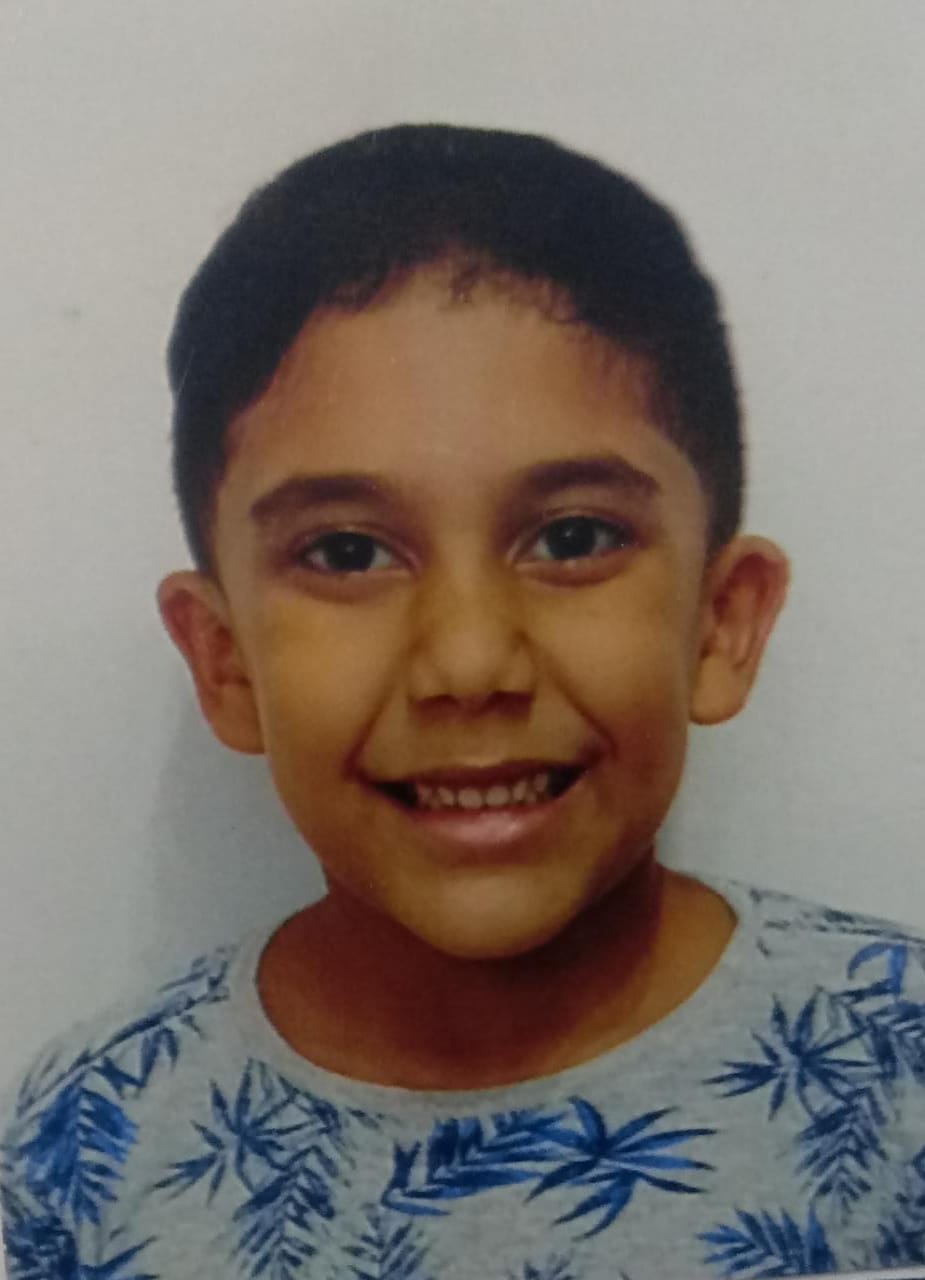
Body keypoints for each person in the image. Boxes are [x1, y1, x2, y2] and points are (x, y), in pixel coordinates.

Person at [2, 124, 924, 1280]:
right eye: (347, 551)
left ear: (718, 623)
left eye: (573, 537)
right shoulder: (85, 1147)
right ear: (226, 663)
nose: (471, 660)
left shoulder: (899, 1073)